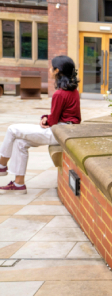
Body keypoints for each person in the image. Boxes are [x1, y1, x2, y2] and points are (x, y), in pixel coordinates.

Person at [0, 56, 81, 194]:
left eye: (51, 67)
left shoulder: (59, 94)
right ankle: (19, 184)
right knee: (20, 142)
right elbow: (60, 116)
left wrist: (46, 119)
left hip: (58, 132)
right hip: (66, 131)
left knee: (12, 129)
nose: (49, 69)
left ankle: (1, 164)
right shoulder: (73, 91)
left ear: (57, 71)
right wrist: (46, 118)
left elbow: (53, 121)